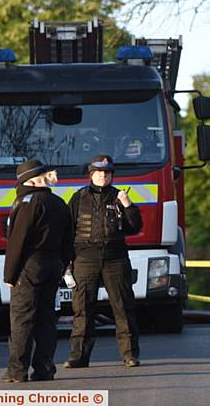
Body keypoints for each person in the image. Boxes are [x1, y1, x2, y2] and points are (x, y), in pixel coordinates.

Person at [64, 154, 143, 369]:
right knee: (82, 309)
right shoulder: (78, 197)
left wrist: (128, 206)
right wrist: (67, 261)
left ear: (111, 176)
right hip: (84, 259)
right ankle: (78, 357)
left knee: (123, 307)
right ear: (91, 174)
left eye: (106, 173)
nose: (102, 176)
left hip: (115, 258)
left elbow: (135, 227)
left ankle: (129, 355)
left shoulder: (120, 197)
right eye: (98, 172)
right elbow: (68, 231)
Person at [2, 159, 73, 382]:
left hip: (29, 267)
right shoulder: (59, 202)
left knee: (22, 319)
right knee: (46, 320)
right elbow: (68, 239)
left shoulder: (26, 202)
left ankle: (17, 371)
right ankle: (44, 370)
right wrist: (62, 264)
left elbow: (17, 242)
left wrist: (10, 275)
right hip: (53, 266)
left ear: (27, 181)